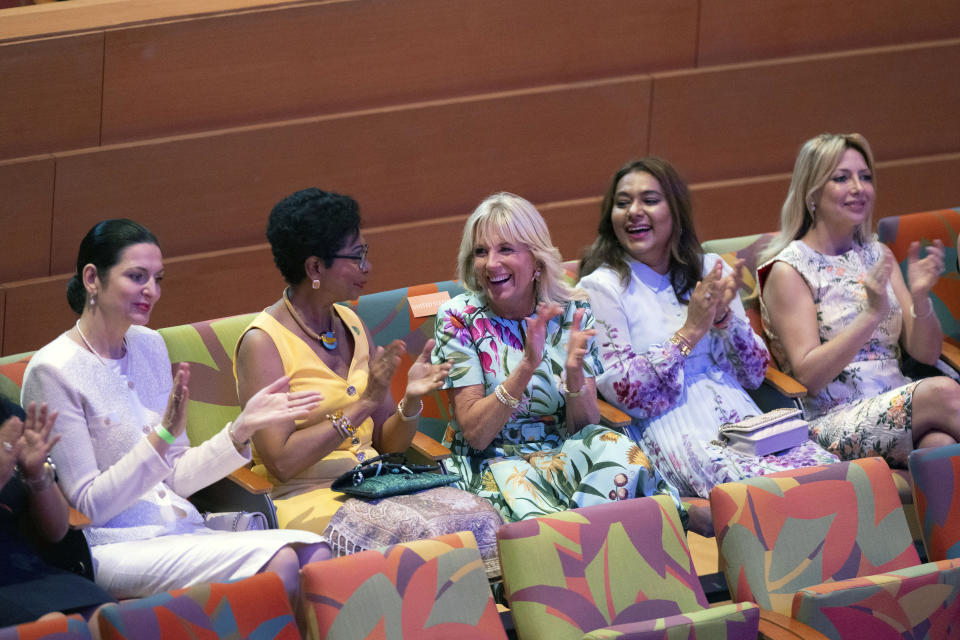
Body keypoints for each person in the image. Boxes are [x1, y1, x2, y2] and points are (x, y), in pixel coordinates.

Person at [21, 218, 329, 607]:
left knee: (314, 554)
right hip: (114, 543)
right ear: (92, 279)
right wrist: (161, 438)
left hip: (182, 526)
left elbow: (177, 478)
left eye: (157, 278)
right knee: (281, 562)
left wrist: (241, 429)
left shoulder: (149, 346)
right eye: (137, 276)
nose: (151, 290)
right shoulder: (54, 369)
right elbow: (88, 505)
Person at [235, 188, 498, 558]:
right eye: (357, 257)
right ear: (314, 268)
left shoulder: (351, 323)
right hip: (306, 496)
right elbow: (281, 463)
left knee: (479, 516)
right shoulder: (263, 343)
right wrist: (362, 405)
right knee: (415, 536)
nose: (367, 267)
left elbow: (389, 446)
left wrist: (410, 401)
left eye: (366, 253)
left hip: (375, 484)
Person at [577, 158, 838, 499]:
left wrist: (724, 321)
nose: (633, 212)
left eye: (650, 201)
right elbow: (624, 393)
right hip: (671, 425)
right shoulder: (602, 286)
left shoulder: (709, 268)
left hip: (742, 416)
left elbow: (755, 373)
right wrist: (691, 331)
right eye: (622, 203)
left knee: (830, 475)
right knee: (763, 492)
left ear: (676, 211)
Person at [430, 191, 683, 524]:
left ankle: (588, 538)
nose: (491, 264)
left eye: (506, 249)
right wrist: (526, 366)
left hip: (562, 454)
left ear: (536, 261)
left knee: (621, 452)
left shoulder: (573, 311)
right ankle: (587, 541)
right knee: (559, 515)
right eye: (481, 252)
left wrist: (577, 381)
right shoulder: (458, 318)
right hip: (494, 462)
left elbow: (584, 428)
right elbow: (477, 435)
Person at [759, 133, 960, 466]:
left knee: (938, 445)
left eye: (865, 177)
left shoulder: (877, 253)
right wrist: (869, 316)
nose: (858, 187)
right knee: (943, 392)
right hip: (834, 420)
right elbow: (808, 376)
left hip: (898, 403)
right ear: (812, 193)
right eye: (841, 178)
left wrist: (922, 299)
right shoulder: (789, 268)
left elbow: (926, 352)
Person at [0, 398, 114, 625]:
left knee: (107, 617)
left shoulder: (8, 417)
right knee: (55, 627)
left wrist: (36, 475)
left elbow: (57, 531)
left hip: (26, 568)